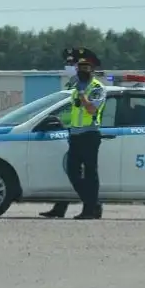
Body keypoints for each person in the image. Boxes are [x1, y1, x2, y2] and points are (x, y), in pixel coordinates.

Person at [40, 55, 106, 220]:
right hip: (75, 135)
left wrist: (83, 93)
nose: (82, 71)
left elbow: (91, 109)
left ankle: (90, 209)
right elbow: (73, 112)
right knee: (72, 172)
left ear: (92, 70)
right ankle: (91, 203)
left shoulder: (97, 88)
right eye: (80, 67)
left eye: (86, 68)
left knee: (90, 173)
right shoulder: (76, 89)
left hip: (90, 134)